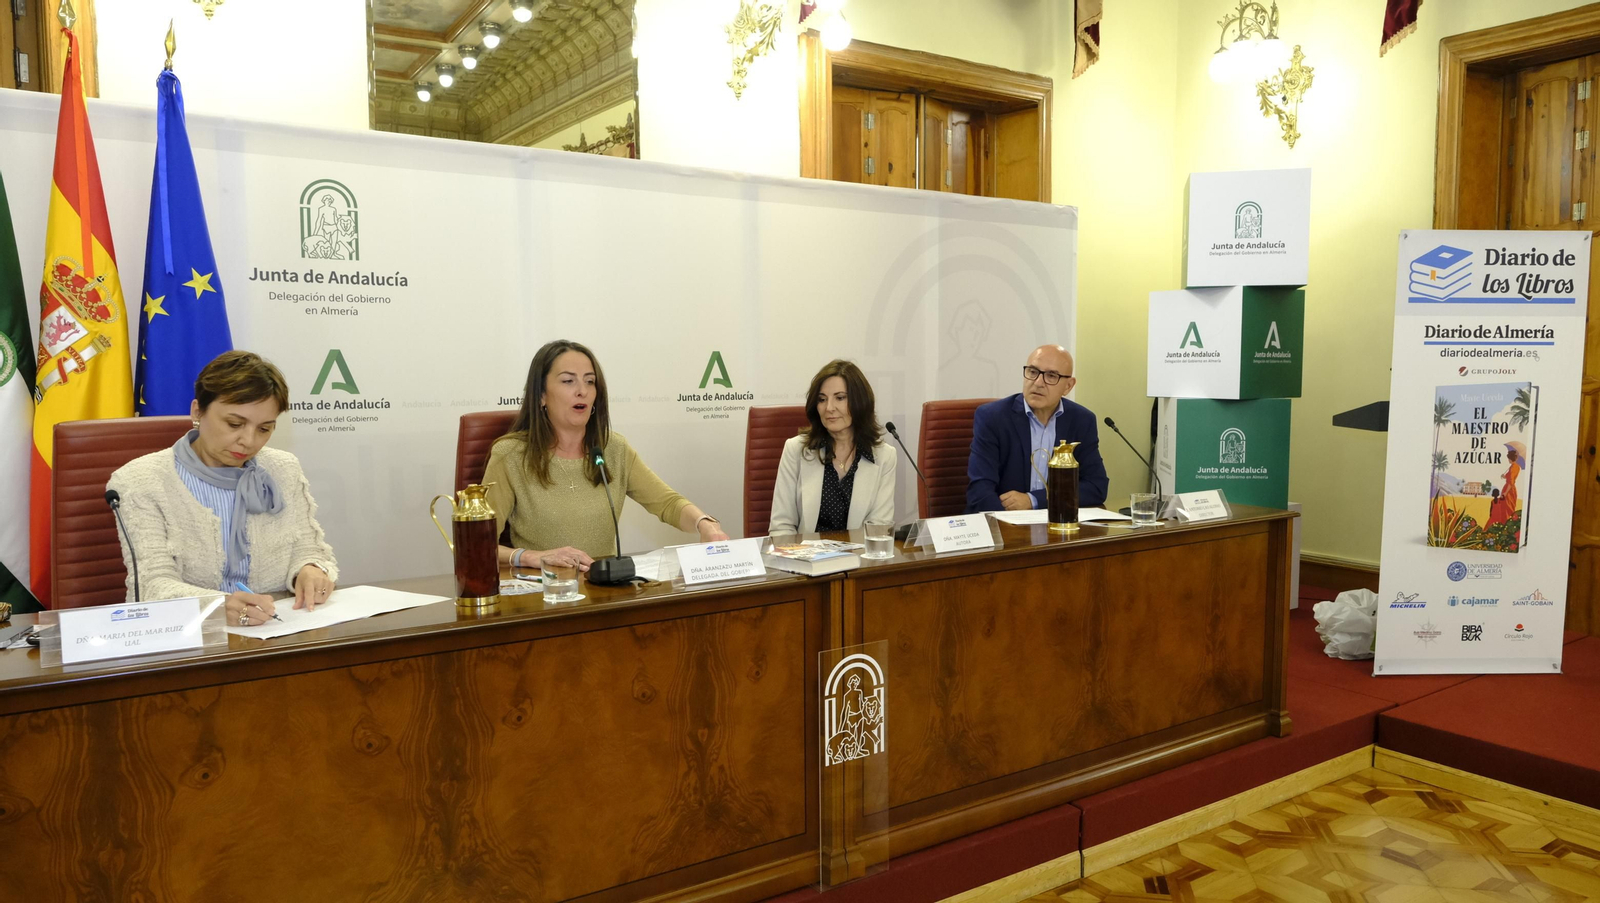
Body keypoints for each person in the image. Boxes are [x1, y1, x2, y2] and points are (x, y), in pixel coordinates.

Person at [107, 351, 338, 626]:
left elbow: (308, 548)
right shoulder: (141, 480)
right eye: (234, 424)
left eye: (264, 428)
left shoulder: (283, 468)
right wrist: (217, 607)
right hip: (191, 637)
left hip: (277, 629)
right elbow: (151, 586)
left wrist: (311, 569)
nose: (248, 441)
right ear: (197, 411)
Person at [484, 340, 728, 572]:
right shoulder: (511, 455)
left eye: (590, 382)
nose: (582, 391)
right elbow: (478, 549)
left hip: (603, 594)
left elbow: (668, 503)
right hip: (545, 595)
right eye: (568, 381)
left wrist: (704, 524)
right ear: (541, 395)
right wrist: (530, 556)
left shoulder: (613, 449)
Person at [967, 344, 1109, 513]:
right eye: (1033, 372)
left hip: (1055, 525)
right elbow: (980, 491)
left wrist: (1034, 500)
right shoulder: (993, 417)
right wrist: (1013, 527)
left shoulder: (1082, 420)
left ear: (1068, 386)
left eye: (1051, 376)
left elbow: (1096, 487)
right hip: (1003, 524)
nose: (1038, 383)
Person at [768, 360, 897, 534]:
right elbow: (782, 526)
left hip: (860, 559)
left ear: (860, 402)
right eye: (822, 399)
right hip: (805, 557)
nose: (829, 408)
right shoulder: (796, 449)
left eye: (840, 398)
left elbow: (878, 529)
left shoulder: (884, 456)